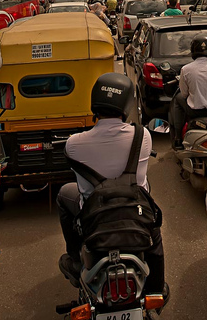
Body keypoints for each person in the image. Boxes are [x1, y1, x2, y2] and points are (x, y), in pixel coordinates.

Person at [57, 73, 165, 294]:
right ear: (126, 104)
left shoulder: (73, 144)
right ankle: (156, 289)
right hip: (135, 213)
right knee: (154, 230)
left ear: (94, 102)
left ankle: (75, 256)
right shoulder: (142, 136)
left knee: (63, 195)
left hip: (93, 217)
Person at [169, 35, 207, 151]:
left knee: (178, 98)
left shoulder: (186, 69)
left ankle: (177, 137)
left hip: (195, 112)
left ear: (193, 51)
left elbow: (185, 94)